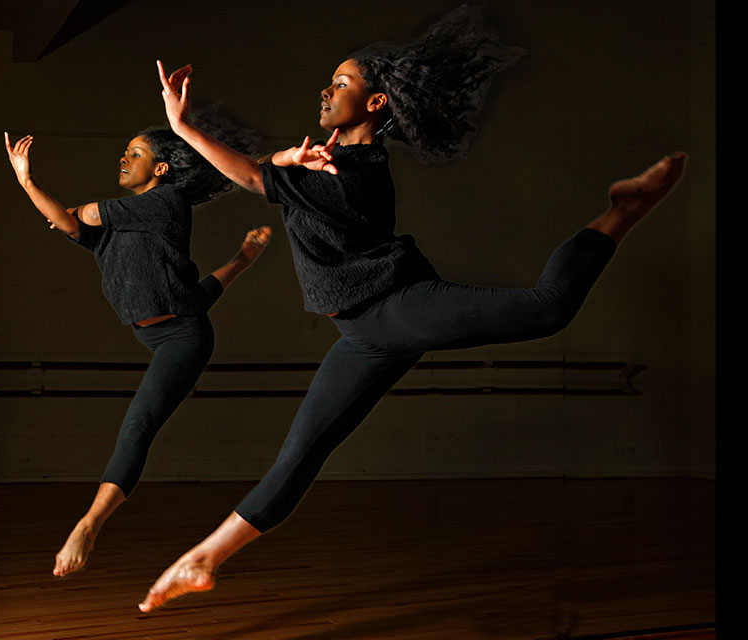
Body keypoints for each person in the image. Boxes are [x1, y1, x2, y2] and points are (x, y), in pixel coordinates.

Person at [137, 5, 686, 612]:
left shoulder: (351, 172)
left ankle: (623, 209)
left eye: (343, 83)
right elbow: (272, 175)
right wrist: (290, 160)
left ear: (375, 105)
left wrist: (183, 126)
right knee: (304, 452)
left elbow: (249, 179)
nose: (327, 89)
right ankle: (204, 560)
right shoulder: (326, 162)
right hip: (364, 332)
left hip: (397, 307)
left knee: (549, 307)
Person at [4, 78, 272, 578]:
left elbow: (83, 212)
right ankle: (243, 259)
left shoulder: (166, 202)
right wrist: (27, 182)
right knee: (190, 296)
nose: (123, 159)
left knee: (137, 426)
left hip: (182, 338)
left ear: (162, 168)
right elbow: (68, 222)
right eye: (123, 153)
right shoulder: (126, 228)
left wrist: (78, 213)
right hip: (168, 320)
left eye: (135, 153)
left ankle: (88, 524)